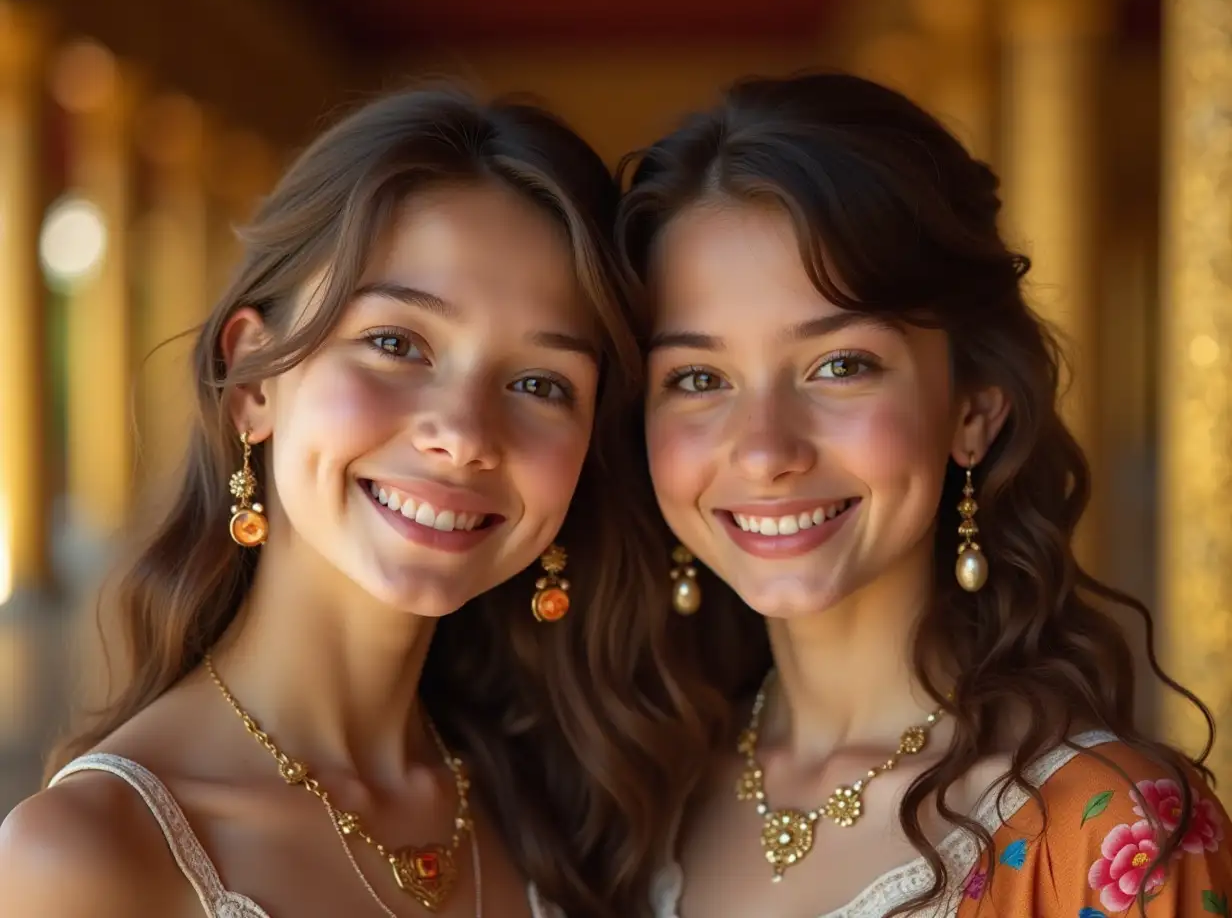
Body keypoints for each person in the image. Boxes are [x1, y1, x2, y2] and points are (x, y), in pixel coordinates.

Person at [0, 87, 705, 918]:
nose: (465, 433)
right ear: (256, 380)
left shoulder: (574, 805)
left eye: (540, 383)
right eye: (397, 343)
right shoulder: (87, 858)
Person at [617, 72, 1232, 917]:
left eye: (840, 365)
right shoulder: (620, 802)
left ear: (972, 412)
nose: (764, 451)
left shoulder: (1107, 832)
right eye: (697, 376)